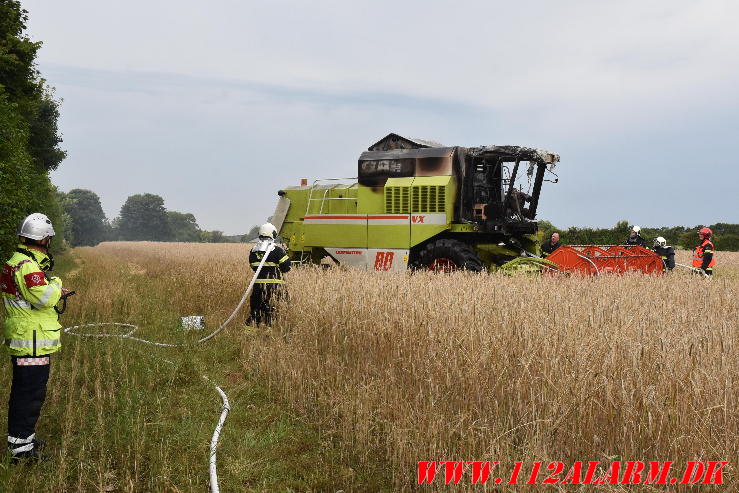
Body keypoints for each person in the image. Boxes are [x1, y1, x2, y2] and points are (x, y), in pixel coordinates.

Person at [1, 213, 68, 462]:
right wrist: (57, 285)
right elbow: (43, 298)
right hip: (32, 341)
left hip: (26, 337)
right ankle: (21, 452)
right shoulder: (28, 266)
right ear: (41, 239)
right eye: (48, 238)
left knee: (25, 392)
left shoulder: (16, 260)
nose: (50, 241)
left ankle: (23, 440)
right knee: (29, 395)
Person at [246, 223, 291, 327]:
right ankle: (268, 335)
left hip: (258, 287)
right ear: (272, 234)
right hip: (274, 287)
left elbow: (253, 267)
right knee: (271, 313)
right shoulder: (277, 250)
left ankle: (249, 336)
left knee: (255, 312)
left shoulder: (253, 251)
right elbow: (287, 267)